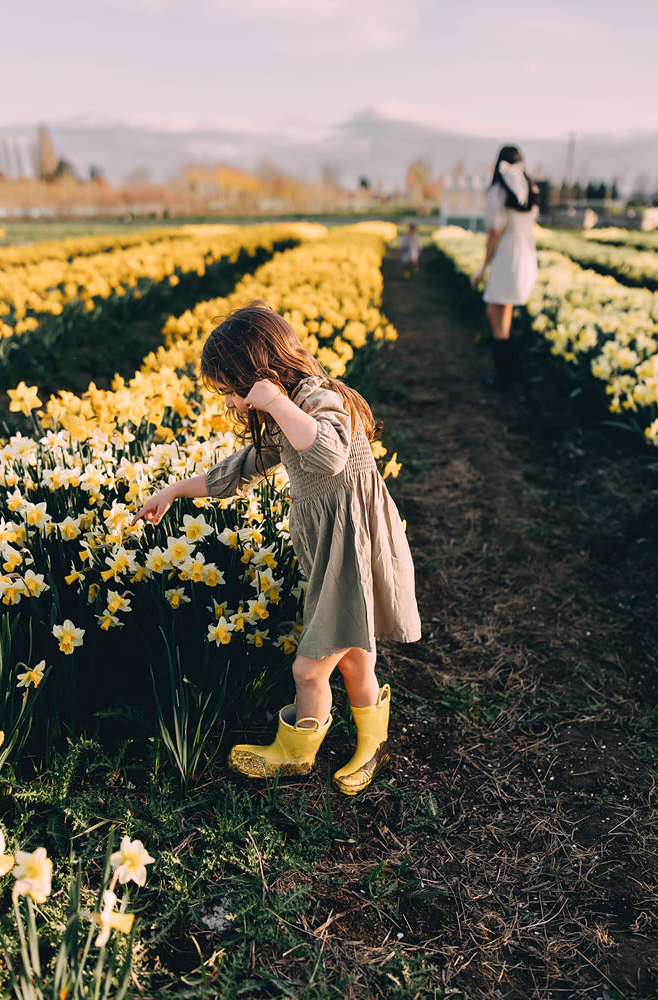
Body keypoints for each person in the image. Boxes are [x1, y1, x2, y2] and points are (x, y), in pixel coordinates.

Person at [131, 301, 421, 796]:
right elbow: (239, 471)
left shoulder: (319, 399)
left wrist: (274, 402)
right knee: (354, 660)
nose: (230, 403)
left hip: (350, 550)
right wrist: (174, 491)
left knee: (308, 669)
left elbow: (328, 455)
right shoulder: (286, 413)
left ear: (258, 375)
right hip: (332, 551)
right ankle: (371, 745)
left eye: (232, 391)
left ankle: (295, 754)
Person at [471, 145, 540, 390]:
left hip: (506, 256)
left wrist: (482, 268)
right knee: (504, 315)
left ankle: (505, 376)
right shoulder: (529, 188)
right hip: (526, 254)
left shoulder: (498, 192)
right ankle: (513, 373)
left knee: (494, 316)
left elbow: (494, 233)